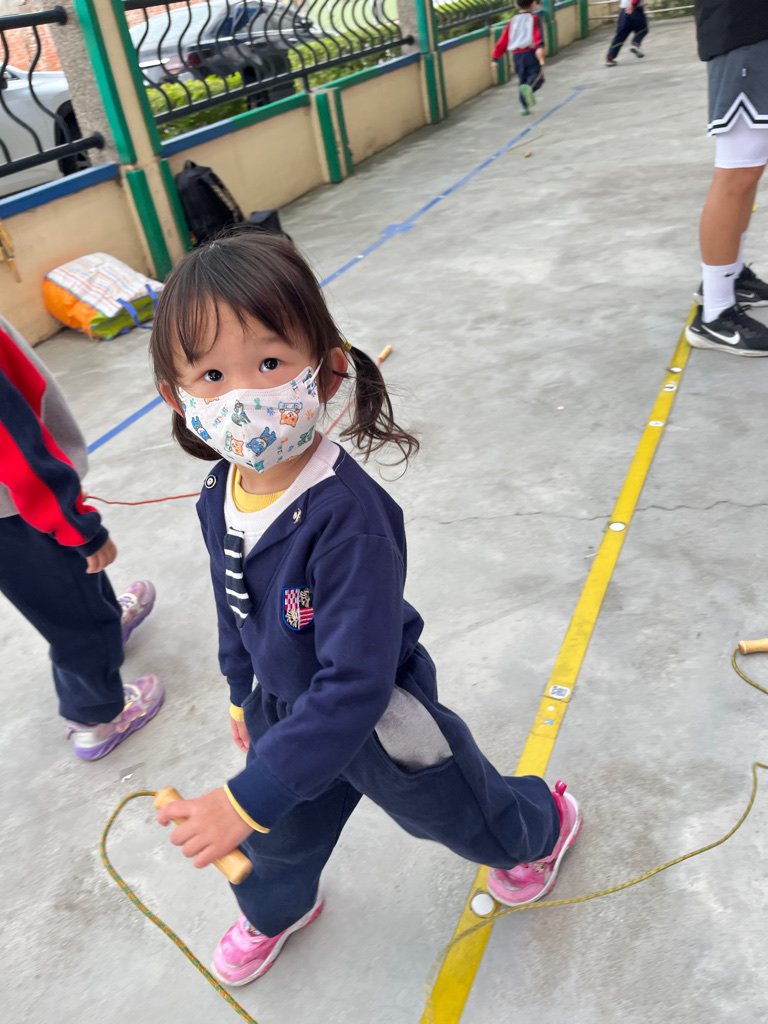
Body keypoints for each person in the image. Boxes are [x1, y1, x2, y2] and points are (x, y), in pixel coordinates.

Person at [150, 232, 583, 987]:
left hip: (381, 716)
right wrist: (240, 690)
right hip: (285, 708)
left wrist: (244, 797)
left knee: (461, 815)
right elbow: (232, 601)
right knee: (276, 840)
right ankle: (274, 911)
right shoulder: (220, 491)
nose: (244, 396)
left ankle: (541, 827)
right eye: (212, 375)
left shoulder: (348, 517)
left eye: (269, 364)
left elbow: (356, 681)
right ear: (177, 398)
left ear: (325, 371)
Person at [0, 315, 164, 760]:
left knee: (72, 588)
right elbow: (10, 442)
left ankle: (107, 621)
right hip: (18, 507)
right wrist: (70, 519)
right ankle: (96, 717)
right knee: (74, 619)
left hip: (16, 503)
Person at [686, 0, 768, 355]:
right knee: (737, 173)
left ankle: (728, 278)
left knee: (749, 169)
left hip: (750, 27)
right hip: (743, 26)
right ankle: (715, 315)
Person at [491, 0, 546, 117]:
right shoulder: (534, 18)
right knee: (538, 77)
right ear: (533, 3)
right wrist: (539, 47)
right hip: (531, 53)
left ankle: (524, 107)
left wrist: (495, 57)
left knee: (522, 80)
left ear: (516, 5)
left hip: (517, 56)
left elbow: (503, 40)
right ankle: (530, 88)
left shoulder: (512, 21)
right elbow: (537, 33)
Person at [604, 0, 648, 67]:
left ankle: (610, 57)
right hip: (635, 9)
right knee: (643, 29)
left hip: (623, 12)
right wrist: (632, 5)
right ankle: (636, 43)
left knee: (620, 36)